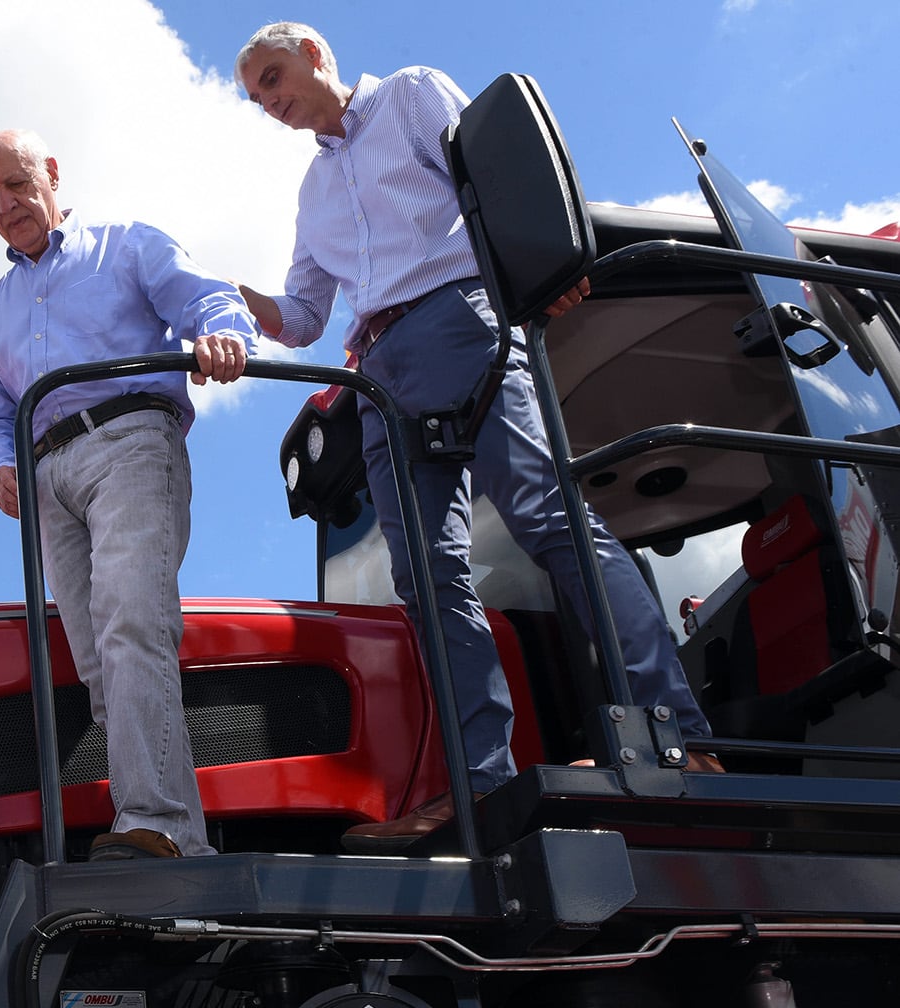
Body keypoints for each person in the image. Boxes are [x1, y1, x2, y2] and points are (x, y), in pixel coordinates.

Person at [232, 23, 717, 851]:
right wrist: (217, 296)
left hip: (458, 318)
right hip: (378, 368)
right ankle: (481, 784)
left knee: (545, 515)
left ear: (315, 52)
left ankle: (683, 736)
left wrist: (544, 265)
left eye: (273, 79)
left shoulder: (413, 94)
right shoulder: (311, 196)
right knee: (425, 576)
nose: (270, 103)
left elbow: (492, 183)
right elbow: (305, 314)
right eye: (257, 97)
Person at [0, 128, 256, 861]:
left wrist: (220, 334)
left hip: (128, 441)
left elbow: (209, 299)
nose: (7, 205)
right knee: (98, 661)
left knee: (134, 626)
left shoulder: (127, 244)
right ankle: (176, 840)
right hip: (46, 482)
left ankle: (154, 822)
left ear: (53, 175)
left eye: (17, 184)